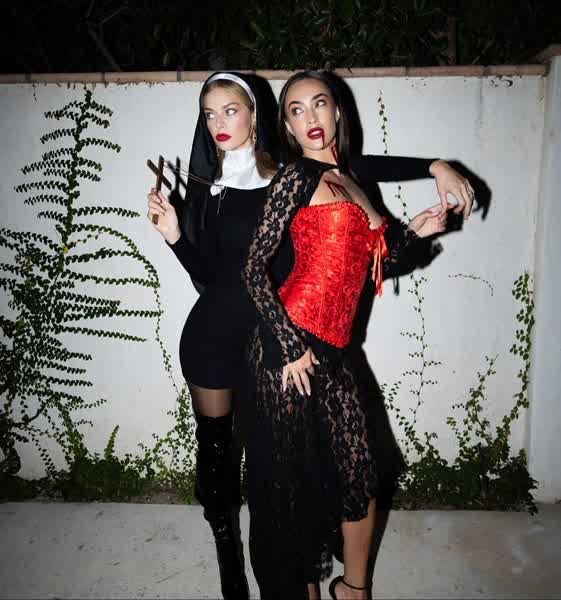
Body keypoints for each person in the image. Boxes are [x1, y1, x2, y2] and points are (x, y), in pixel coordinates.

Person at [242, 70, 474, 600]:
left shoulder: (351, 179)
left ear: (337, 111)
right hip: (288, 347)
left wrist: (416, 231)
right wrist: (289, 346)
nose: (310, 117)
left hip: (333, 349)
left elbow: (371, 264)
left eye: (319, 103)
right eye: (296, 110)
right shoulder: (297, 177)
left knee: (360, 471)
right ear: (288, 126)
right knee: (293, 488)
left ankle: (354, 588)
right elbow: (253, 268)